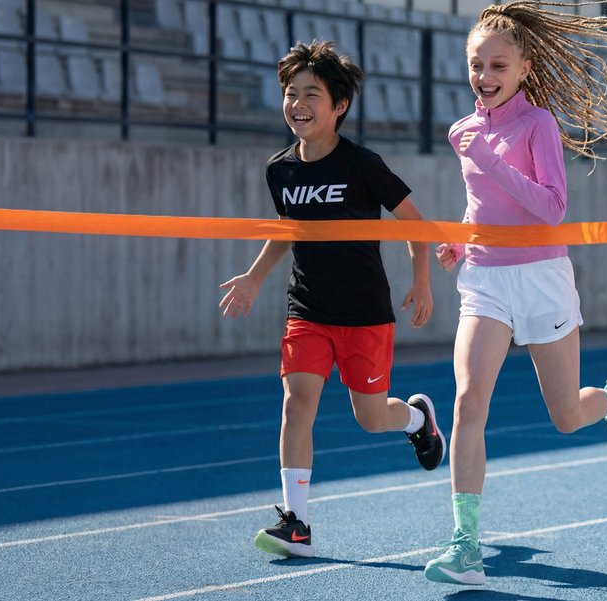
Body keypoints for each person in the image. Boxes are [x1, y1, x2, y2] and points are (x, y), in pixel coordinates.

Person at [423, 1, 607, 586]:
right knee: (469, 402)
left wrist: (490, 163)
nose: (485, 76)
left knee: (567, 416)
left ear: (523, 67)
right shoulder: (462, 131)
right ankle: (465, 545)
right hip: (486, 280)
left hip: (541, 277)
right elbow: (482, 206)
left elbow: (551, 208)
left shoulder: (538, 124)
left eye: (498, 65)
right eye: (477, 65)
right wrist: (461, 241)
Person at [218, 40, 443, 559]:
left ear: (338, 105)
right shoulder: (280, 169)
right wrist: (254, 278)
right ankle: (296, 522)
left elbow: (417, 224)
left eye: (311, 94)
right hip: (308, 310)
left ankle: (416, 420)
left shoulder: (364, 165)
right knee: (297, 406)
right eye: (291, 93)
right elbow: (288, 229)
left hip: (364, 312)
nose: (298, 103)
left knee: (370, 418)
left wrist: (422, 281)